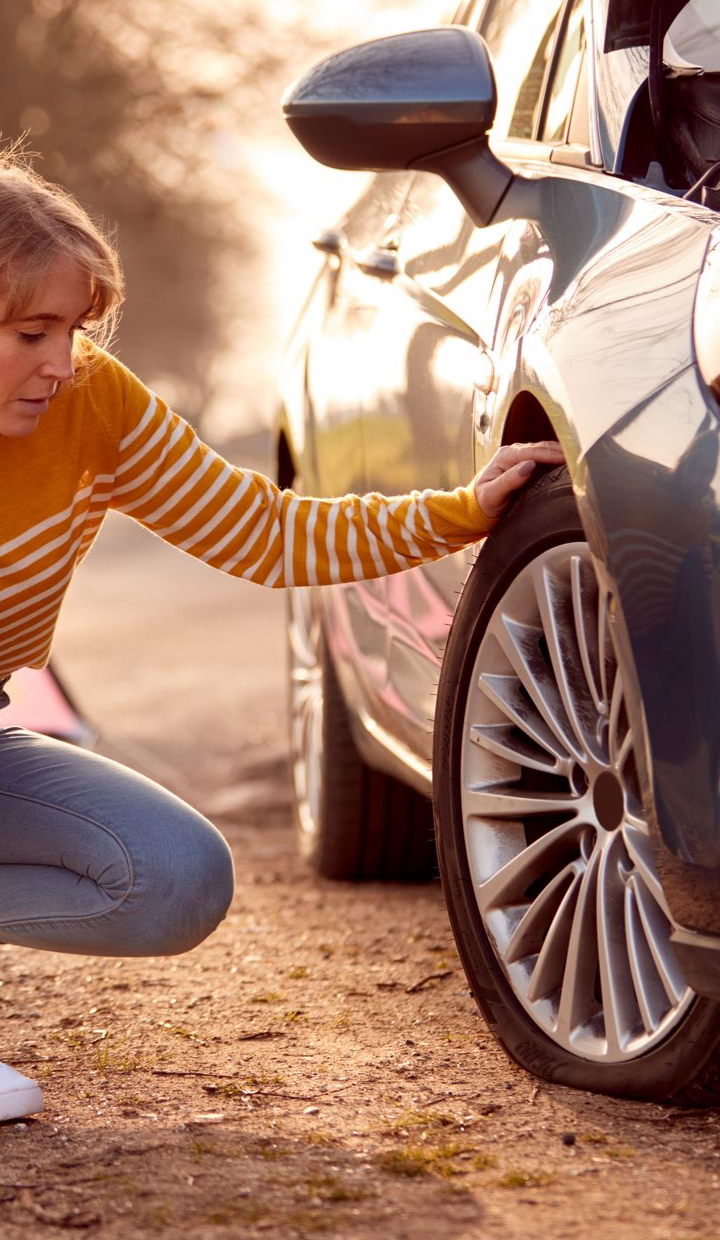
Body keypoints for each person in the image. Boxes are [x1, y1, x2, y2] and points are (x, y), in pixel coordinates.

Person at [0, 151, 563, 1121]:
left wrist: (459, 512)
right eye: (30, 333)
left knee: (175, 878)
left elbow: (264, 530)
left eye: (74, 330)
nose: (62, 361)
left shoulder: (91, 404)